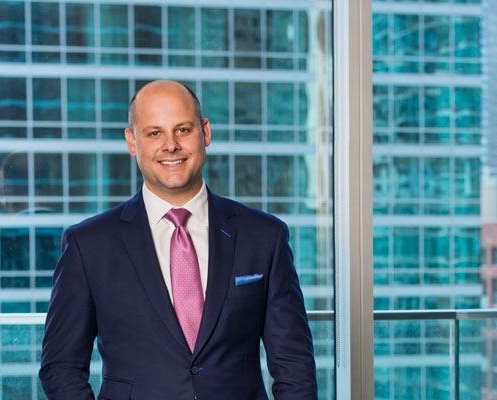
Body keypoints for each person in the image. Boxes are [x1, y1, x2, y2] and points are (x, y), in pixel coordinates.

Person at [39, 80, 317, 399]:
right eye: (154, 133)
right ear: (132, 142)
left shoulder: (264, 236)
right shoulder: (88, 245)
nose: (170, 145)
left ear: (205, 132)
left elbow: (294, 364)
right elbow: (60, 367)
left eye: (183, 130)